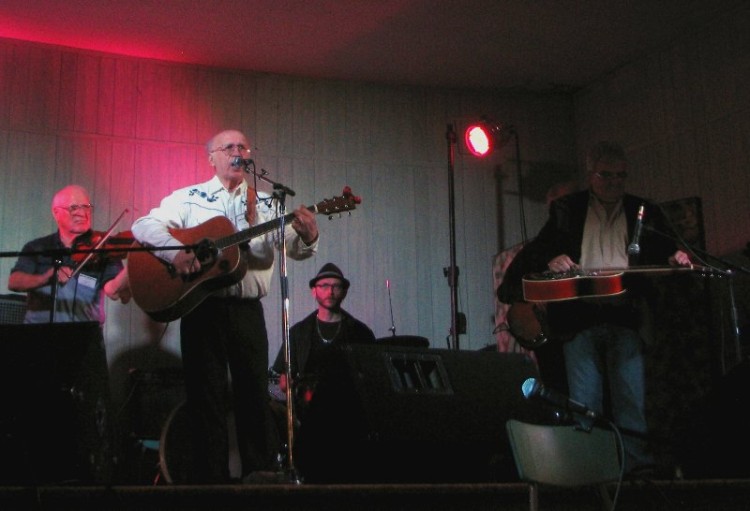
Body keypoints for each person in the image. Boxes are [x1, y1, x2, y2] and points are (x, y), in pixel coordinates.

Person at [130, 129, 319, 484]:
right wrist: (176, 251)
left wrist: (309, 236)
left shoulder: (266, 203)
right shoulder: (189, 197)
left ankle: (258, 476)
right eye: (228, 146)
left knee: (253, 397)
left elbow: (293, 245)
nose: (237, 151)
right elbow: (143, 226)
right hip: (201, 307)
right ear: (212, 157)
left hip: (248, 311)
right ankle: (208, 482)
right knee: (206, 397)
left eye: (242, 146)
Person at [499, 141, 691, 475]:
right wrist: (551, 259)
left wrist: (676, 257)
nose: (615, 182)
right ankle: (588, 469)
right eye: (607, 175)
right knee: (585, 401)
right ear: (591, 175)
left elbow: (664, 249)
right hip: (581, 319)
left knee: (631, 397)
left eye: (621, 176)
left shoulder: (641, 210)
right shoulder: (568, 209)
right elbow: (536, 253)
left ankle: (635, 469)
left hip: (625, 315)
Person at [8, 185, 130, 323]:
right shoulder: (38, 247)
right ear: (56, 213)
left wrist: (133, 266)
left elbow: (113, 291)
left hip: (84, 338)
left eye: (86, 207)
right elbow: (14, 282)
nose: (82, 213)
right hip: (38, 336)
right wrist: (45, 278)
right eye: (74, 208)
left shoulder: (102, 248)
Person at [270, 263, 376, 409]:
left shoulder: (360, 333)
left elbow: (372, 380)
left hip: (349, 409)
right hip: (309, 411)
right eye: (324, 286)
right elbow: (284, 380)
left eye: (336, 286)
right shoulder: (298, 333)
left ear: (344, 292)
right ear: (314, 291)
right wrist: (290, 385)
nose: (330, 291)